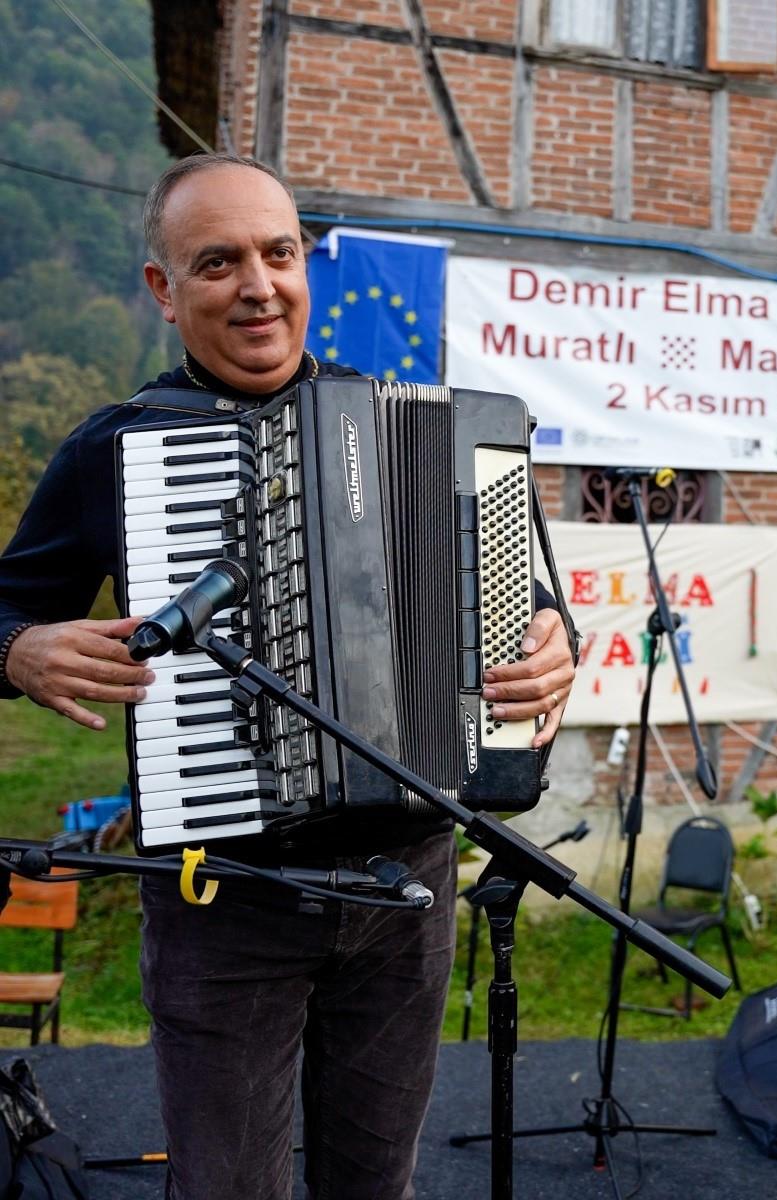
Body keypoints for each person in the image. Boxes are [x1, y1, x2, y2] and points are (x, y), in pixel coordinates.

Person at [0, 152, 575, 1200]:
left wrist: (549, 646)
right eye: (218, 263)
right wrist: (17, 648)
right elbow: (5, 606)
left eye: (280, 252)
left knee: (374, 1185)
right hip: (226, 897)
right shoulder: (120, 446)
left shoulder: (418, 424)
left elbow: (529, 603)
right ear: (164, 292)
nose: (260, 285)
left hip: (404, 883)